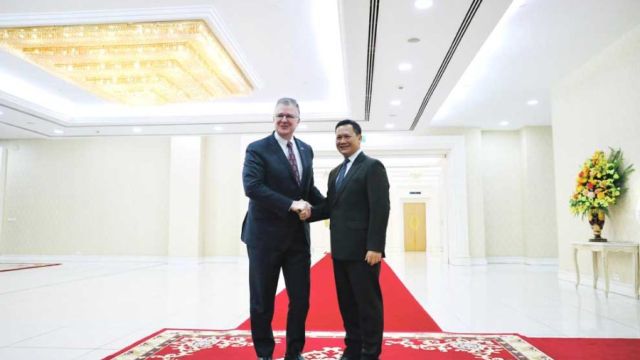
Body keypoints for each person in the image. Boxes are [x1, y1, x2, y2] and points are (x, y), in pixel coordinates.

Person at [241, 97, 324, 360]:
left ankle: (293, 352)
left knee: (300, 301)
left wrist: (334, 207)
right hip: (264, 238)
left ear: (298, 120)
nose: (284, 120)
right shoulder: (257, 149)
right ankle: (265, 353)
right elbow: (252, 187)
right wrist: (291, 204)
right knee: (262, 301)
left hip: (298, 240)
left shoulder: (306, 149)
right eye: (280, 115)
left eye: (289, 116)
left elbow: (307, 189)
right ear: (274, 118)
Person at [307, 119, 390, 360]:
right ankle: (353, 348)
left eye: (346, 136)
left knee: (368, 305)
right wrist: (307, 213)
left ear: (359, 137)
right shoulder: (335, 172)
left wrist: (375, 246)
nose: (342, 141)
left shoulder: (372, 167)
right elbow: (330, 207)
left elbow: (380, 208)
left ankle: (370, 352)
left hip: (364, 251)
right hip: (340, 250)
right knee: (347, 304)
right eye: (338, 137)